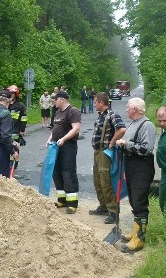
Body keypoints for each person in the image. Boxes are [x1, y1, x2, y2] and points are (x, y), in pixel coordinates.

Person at [116, 97, 157, 253]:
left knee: (139, 202)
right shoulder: (133, 124)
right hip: (131, 166)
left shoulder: (147, 125)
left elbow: (146, 149)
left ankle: (139, 239)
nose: (126, 109)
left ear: (135, 109)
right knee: (133, 201)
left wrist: (126, 144)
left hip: (142, 167)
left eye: (128, 106)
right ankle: (135, 232)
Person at [89, 92, 126, 225]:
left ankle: (113, 212)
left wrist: (112, 143)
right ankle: (103, 206)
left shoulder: (112, 114)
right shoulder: (101, 116)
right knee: (97, 179)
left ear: (101, 103)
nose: (94, 104)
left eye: (95, 102)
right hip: (97, 152)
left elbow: (121, 129)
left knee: (106, 181)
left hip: (105, 153)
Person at [46, 90, 81, 213]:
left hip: (67, 146)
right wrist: (50, 139)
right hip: (56, 146)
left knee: (68, 172)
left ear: (62, 99)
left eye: (55, 100)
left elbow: (76, 128)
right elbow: (55, 129)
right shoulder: (57, 113)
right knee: (56, 171)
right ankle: (62, 199)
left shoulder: (72, 111)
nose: (53, 102)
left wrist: (64, 139)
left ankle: (72, 203)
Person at [7, 85, 27, 174]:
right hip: (5, 133)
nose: (11, 95)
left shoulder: (20, 106)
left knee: (14, 151)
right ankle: (6, 170)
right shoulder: (5, 104)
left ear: (16, 94)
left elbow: (23, 119)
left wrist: (22, 130)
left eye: (12, 93)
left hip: (15, 132)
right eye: (10, 93)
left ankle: (13, 171)